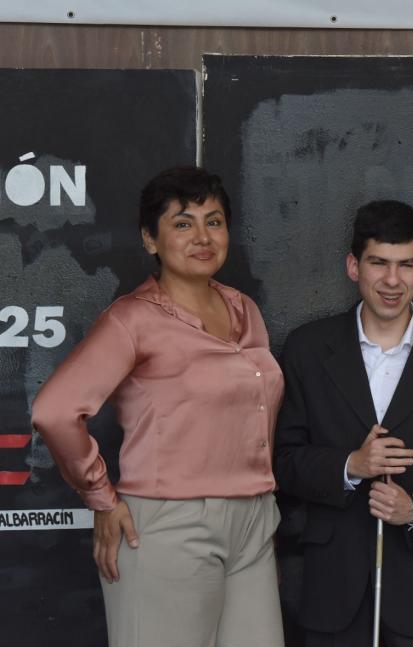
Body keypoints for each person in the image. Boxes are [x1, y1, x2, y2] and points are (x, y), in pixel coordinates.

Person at [30, 166, 285, 647]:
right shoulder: (133, 320)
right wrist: (100, 498)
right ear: (151, 239)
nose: (202, 236)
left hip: (253, 521)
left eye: (214, 221)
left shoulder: (244, 309)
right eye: (183, 223)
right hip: (169, 524)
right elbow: (55, 410)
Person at [273, 200, 413, 647]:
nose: (393, 281)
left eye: (406, 265)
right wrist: (351, 464)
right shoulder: (308, 349)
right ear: (354, 266)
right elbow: (283, 462)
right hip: (334, 593)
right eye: (379, 263)